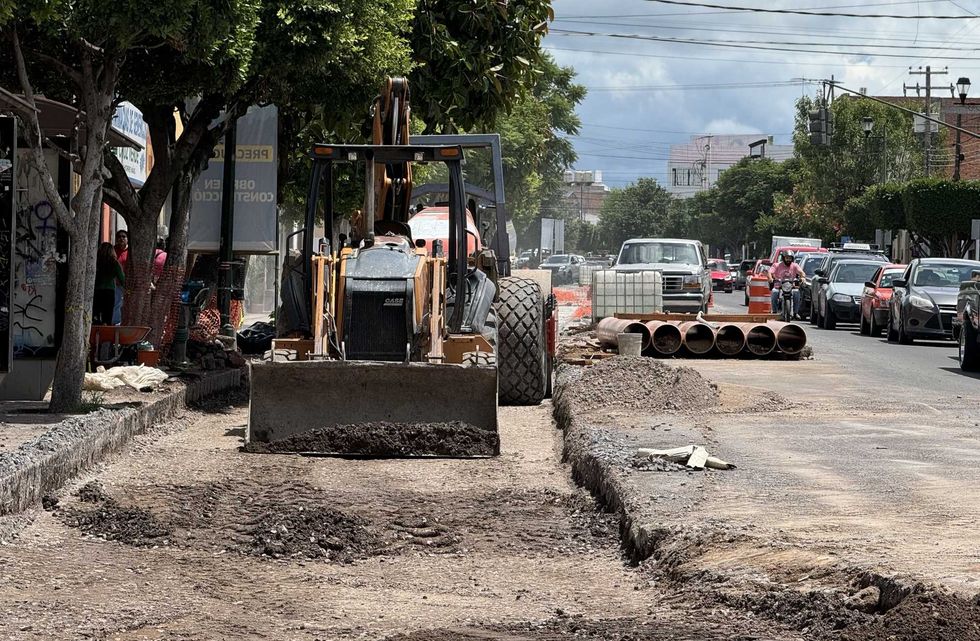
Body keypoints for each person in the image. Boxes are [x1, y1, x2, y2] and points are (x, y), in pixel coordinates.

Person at [93, 242, 125, 325]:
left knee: (95, 313)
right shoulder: (114, 263)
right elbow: (122, 279)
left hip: (96, 291)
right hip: (109, 291)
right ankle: (105, 331)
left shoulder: (95, 262)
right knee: (107, 315)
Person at [768, 250, 804, 318]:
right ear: (783, 258)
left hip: (791, 286)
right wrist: (771, 279)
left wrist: (802, 278)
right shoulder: (777, 265)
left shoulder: (795, 265)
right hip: (779, 285)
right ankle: (774, 312)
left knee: (796, 292)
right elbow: (770, 272)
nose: (788, 260)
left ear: (792, 259)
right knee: (774, 292)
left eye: (790, 258)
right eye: (787, 258)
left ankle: (795, 313)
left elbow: (802, 272)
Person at [112, 229, 128, 324]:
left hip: (128, 282)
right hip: (116, 282)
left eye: (124, 236)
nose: (121, 238)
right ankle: (116, 323)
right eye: (119, 237)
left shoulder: (131, 251)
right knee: (117, 303)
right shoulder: (113, 250)